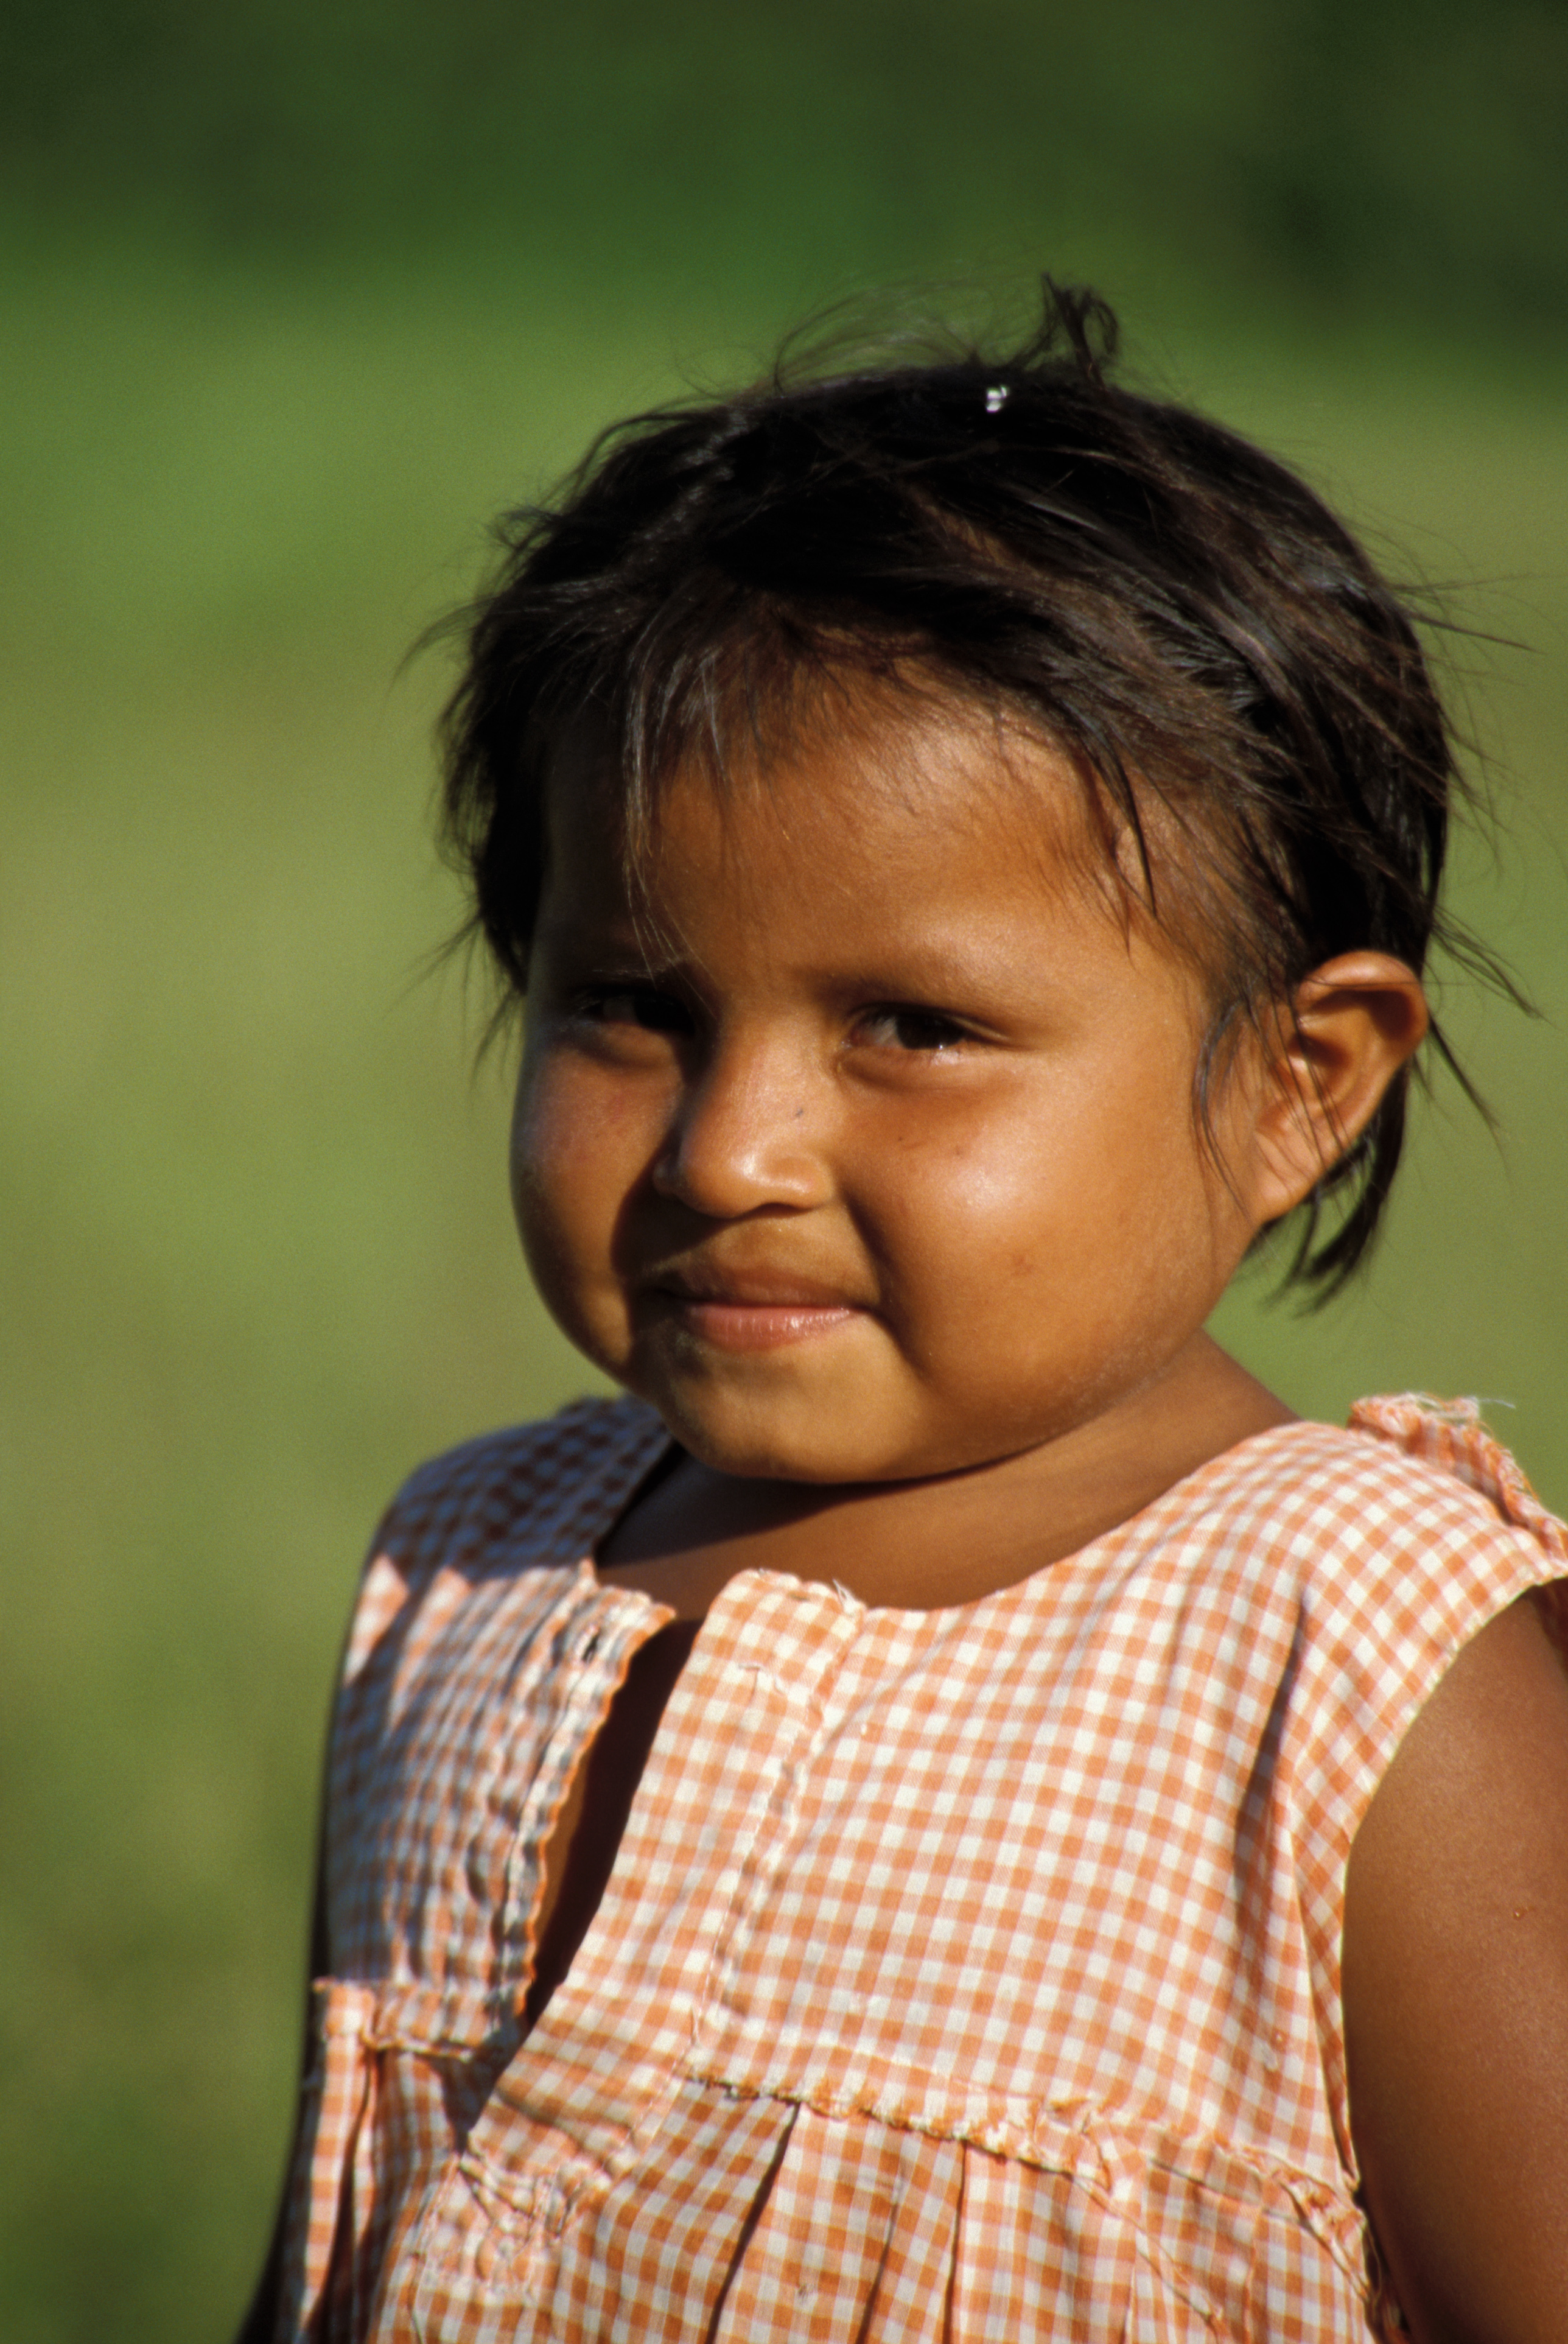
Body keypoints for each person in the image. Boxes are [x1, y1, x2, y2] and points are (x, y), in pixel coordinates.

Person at [239, 284, 1568, 2343]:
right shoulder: (461, 1569)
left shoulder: (1359, 1658)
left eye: (916, 1026)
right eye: (631, 1005)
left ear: (1302, 1080)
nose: (728, 1151)